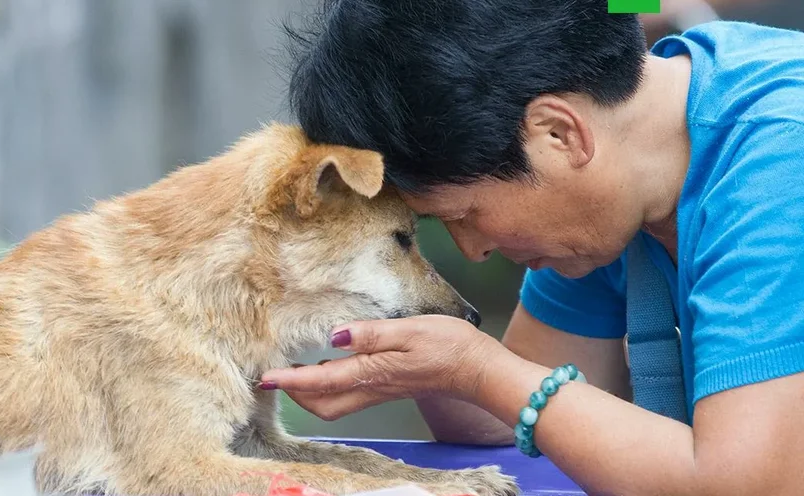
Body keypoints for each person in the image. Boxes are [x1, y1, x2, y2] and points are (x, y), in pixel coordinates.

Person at [259, 0, 804, 494]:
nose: (472, 250)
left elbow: (746, 485)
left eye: (464, 215)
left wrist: (479, 370)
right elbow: (511, 414)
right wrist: (425, 356)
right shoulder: (612, 186)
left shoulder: (780, 167)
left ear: (558, 133)